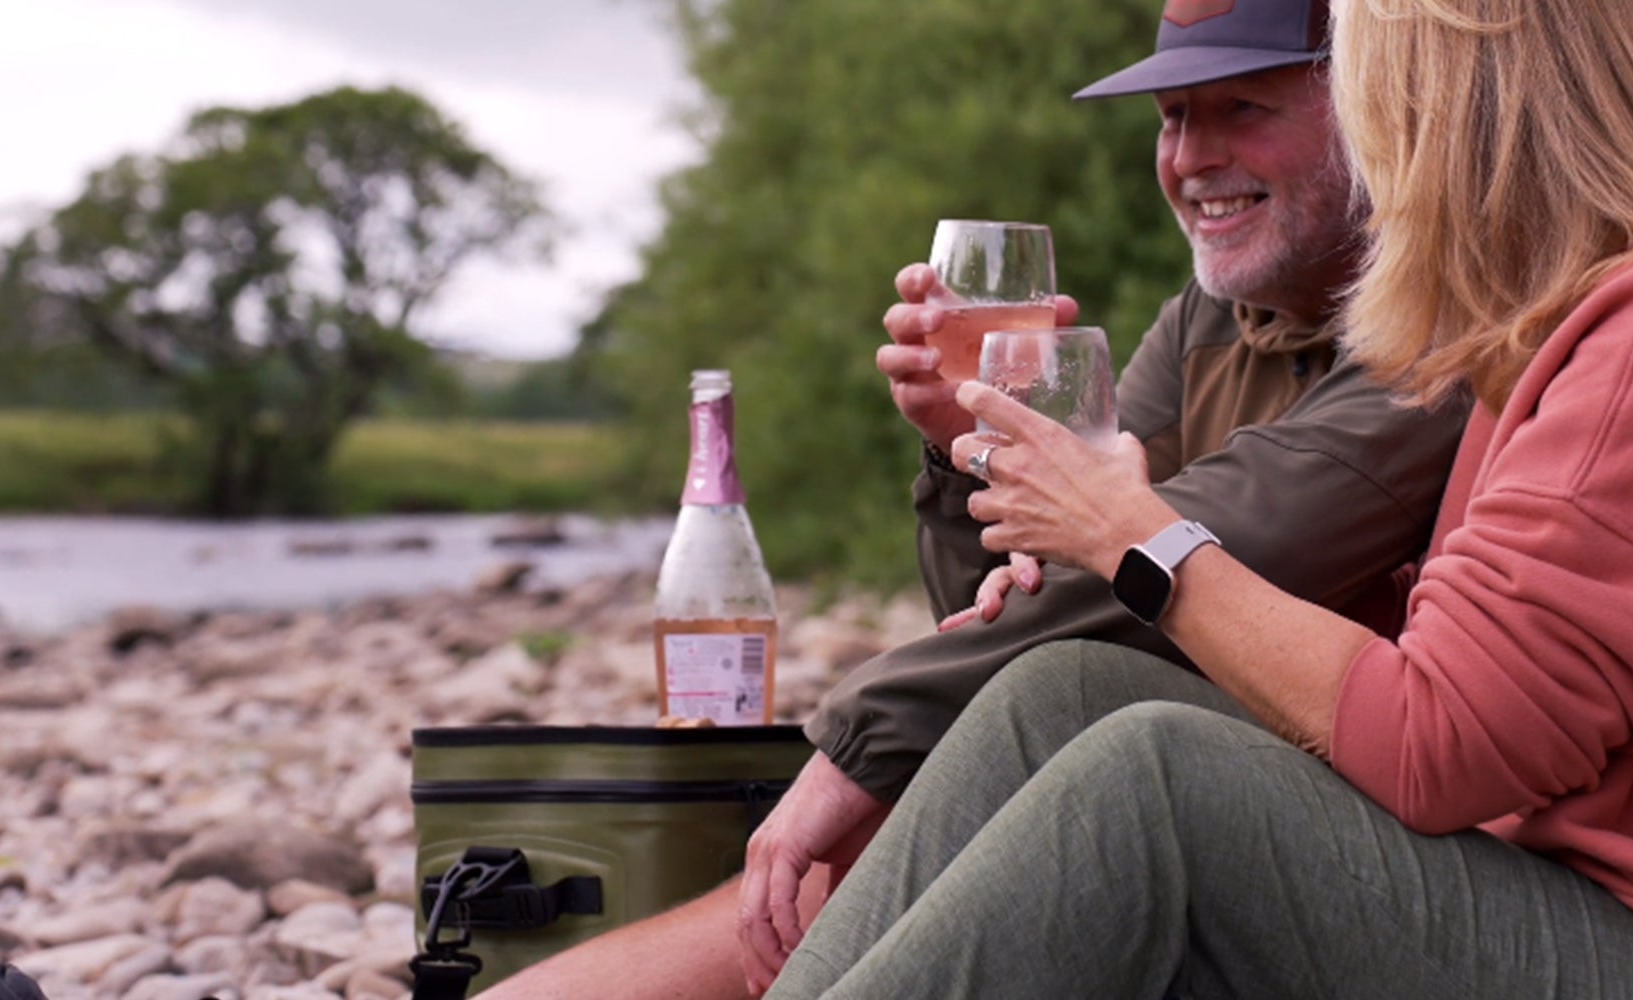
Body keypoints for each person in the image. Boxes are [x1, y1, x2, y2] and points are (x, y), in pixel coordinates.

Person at [766, 0, 1633, 997]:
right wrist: (1010, 491)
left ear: (1477, 100)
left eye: (1382, 94)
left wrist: (1135, 537)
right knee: (1065, 698)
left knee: (1156, 784)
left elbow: (1439, 749)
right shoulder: (1613, 310)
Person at [478, 2, 1470, 997]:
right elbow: (1031, 593)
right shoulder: (1211, 315)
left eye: (1241, 107)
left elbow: (1201, 545)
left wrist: (861, 736)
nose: (1190, 156)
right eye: (1172, 116)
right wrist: (964, 454)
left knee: (892, 811)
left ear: (1372, 105)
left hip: (1346, 861)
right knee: (884, 828)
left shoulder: (1453, 325)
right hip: (1158, 790)